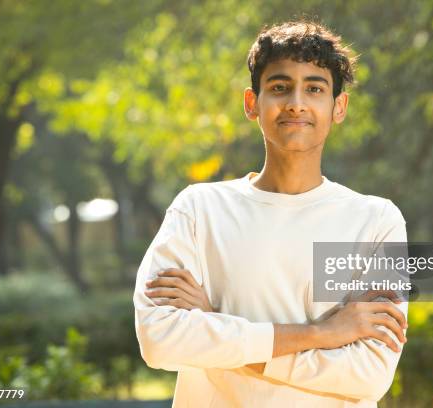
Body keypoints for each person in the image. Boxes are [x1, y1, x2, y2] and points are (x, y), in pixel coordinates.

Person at [134, 20, 408, 407]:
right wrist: (320, 335)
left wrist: (217, 327)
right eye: (280, 87)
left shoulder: (376, 221)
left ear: (338, 107)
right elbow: (159, 341)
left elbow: (369, 375)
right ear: (252, 103)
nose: (296, 102)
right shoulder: (198, 209)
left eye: (314, 88)